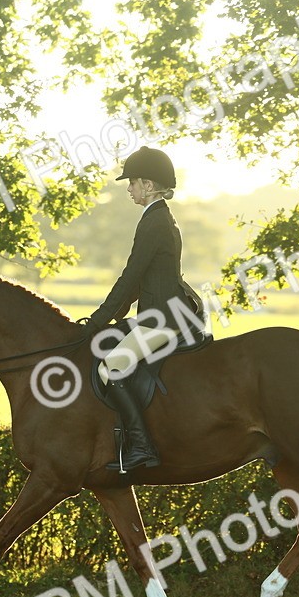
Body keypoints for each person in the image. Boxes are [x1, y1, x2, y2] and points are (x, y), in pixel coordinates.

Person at [80, 146, 205, 473]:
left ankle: (142, 448)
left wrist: (96, 321)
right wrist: (116, 315)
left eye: (133, 182)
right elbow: (142, 279)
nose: (129, 188)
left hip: (163, 318)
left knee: (112, 366)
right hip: (164, 310)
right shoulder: (159, 217)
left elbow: (131, 276)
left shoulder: (154, 222)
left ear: (149, 185)